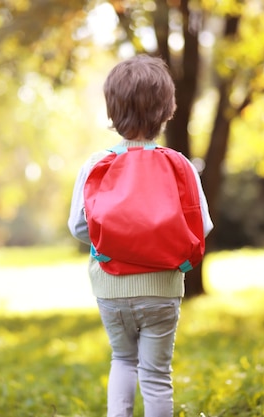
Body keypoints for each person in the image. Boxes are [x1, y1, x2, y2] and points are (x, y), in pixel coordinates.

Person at [67, 54, 213, 417]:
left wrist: (119, 238)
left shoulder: (95, 164)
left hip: (111, 289)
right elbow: (203, 226)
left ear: (112, 110)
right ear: (167, 110)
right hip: (163, 288)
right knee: (157, 375)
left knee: (122, 360)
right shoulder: (180, 164)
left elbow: (78, 227)